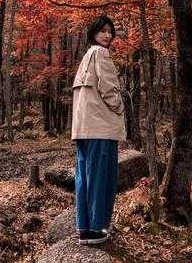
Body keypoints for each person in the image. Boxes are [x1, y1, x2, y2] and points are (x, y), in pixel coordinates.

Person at [71, 15, 126, 246]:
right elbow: (109, 88)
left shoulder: (86, 57)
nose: (108, 35)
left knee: (85, 177)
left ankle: (84, 228)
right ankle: (95, 229)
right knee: (101, 179)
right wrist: (120, 106)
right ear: (94, 32)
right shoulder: (101, 54)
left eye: (110, 31)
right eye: (103, 31)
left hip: (83, 129)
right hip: (100, 128)